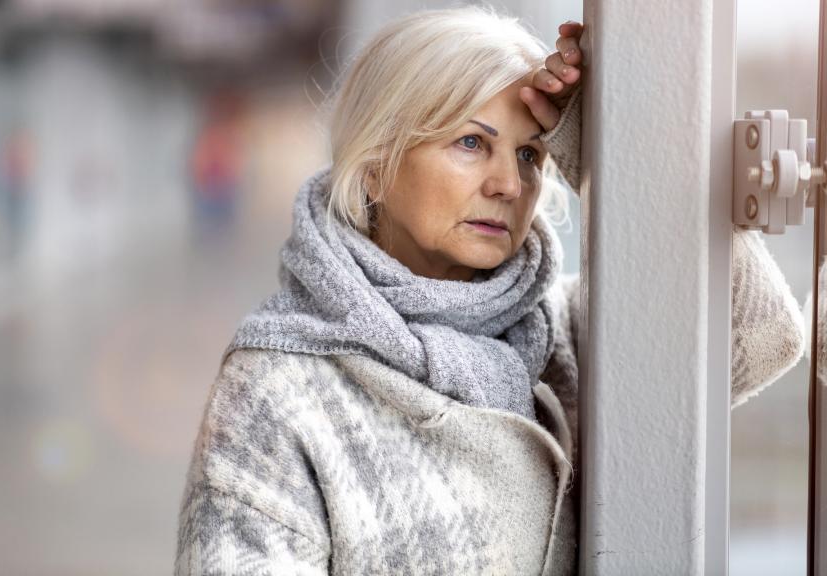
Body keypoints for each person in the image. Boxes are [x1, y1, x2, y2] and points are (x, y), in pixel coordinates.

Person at [173, 6, 806, 575]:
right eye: (472, 143)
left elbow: (759, 332)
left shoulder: (560, 330)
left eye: (531, 155)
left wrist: (599, 148)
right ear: (376, 164)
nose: (509, 184)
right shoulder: (277, 389)